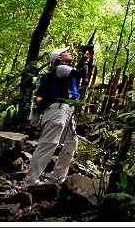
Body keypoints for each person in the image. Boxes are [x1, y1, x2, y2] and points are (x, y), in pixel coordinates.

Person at [24, 47, 86, 187]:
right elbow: (82, 74)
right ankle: (30, 182)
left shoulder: (63, 70)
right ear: (58, 58)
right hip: (57, 109)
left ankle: (58, 178)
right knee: (49, 143)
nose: (69, 53)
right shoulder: (60, 68)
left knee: (71, 142)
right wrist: (86, 61)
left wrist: (85, 59)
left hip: (67, 109)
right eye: (66, 52)